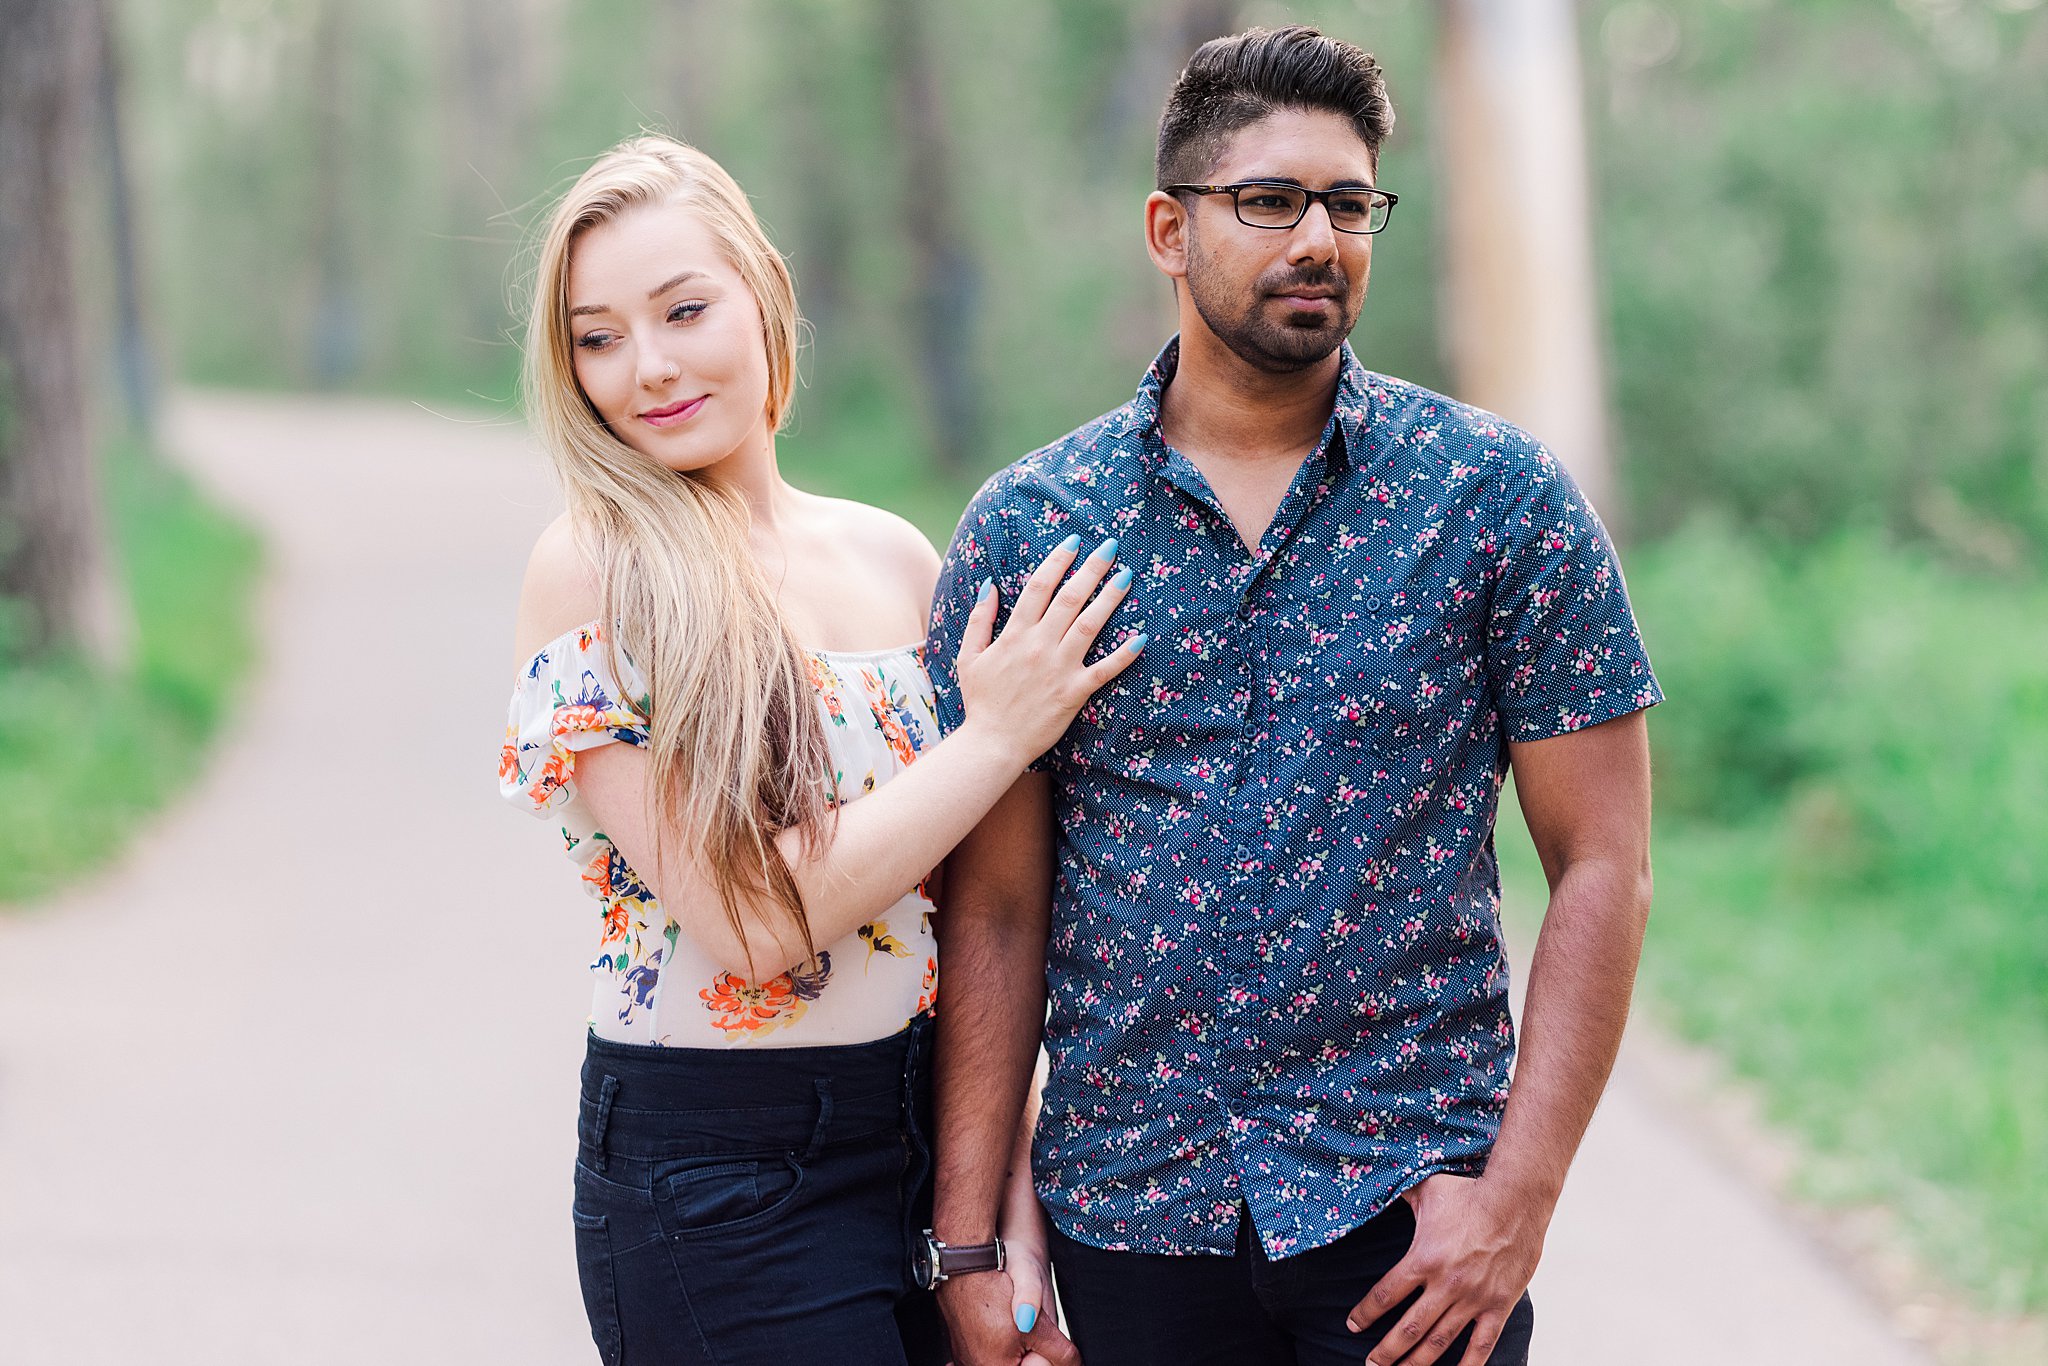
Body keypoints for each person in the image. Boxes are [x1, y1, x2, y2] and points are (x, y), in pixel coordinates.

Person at [923, 26, 1662, 1366]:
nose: (1318, 236)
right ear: (1169, 226)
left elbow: (1603, 863)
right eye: (1269, 200)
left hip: (1411, 1219)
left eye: (1350, 202)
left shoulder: (1499, 503)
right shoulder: (1036, 525)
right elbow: (996, 904)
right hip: (1135, 1217)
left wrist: (1519, 1198)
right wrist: (973, 1235)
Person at [497, 134, 1144, 1366]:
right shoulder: (595, 570)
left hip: (913, 1130)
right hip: (716, 1177)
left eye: (684, 309)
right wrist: (999, 732)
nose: (648, 366)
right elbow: (751, 921)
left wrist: (992, 1190)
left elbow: (968, 922)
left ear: (763, 293)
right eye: (597, 336)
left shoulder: (895, 558)